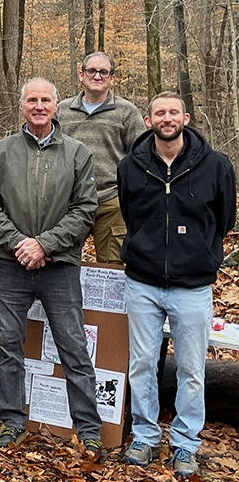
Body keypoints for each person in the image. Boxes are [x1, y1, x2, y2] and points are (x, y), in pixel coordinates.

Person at [0, 78, 103, 454]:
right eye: (31, 100)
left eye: (45, 100)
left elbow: (85, 210)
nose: (39, 106)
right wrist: (19, 244)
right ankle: (12, 421)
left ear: (56, 105)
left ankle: (89, 428)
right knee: (9, 346)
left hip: (59, 266)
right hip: (10, 265)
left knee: (74, 348)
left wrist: (45, 245)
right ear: (21, 106)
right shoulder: (0, 152)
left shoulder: (78, 153)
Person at [117, 91, 235, 476]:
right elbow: (128, 212)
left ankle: (186, 444)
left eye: (173, 112)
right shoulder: (131, 166)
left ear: (185, 118)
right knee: (141, 365)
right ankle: (145, 437)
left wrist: (197, 252)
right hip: (142, 283)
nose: (166, 118)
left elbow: (225, 219)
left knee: (191, 369)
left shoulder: (215, 166)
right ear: (148, 121)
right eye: (158, 113)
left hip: (193, 286)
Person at [55, 51, 145, 264]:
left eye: (104, 72)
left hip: (112, 201)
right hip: (69, 202)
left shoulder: (127, 112)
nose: (97, 76)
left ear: (112, 78)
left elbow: (142, 157)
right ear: (81, 75)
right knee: (60, 262)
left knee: (112, 267)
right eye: (91, 71)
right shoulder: (61, 110)